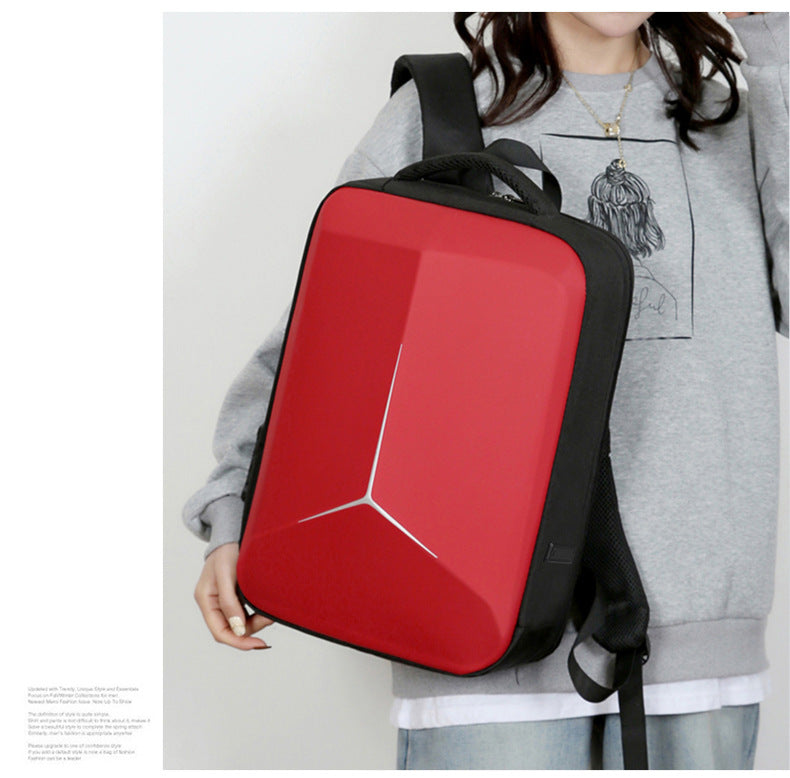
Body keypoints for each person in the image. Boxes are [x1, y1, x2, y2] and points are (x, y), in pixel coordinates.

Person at [183, 12, 788, 770]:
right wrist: (235, 506)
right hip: (476, 628)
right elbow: (327, 331)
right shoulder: (445, 113)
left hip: (696, 643)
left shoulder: (741, 113)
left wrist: (774, 41)